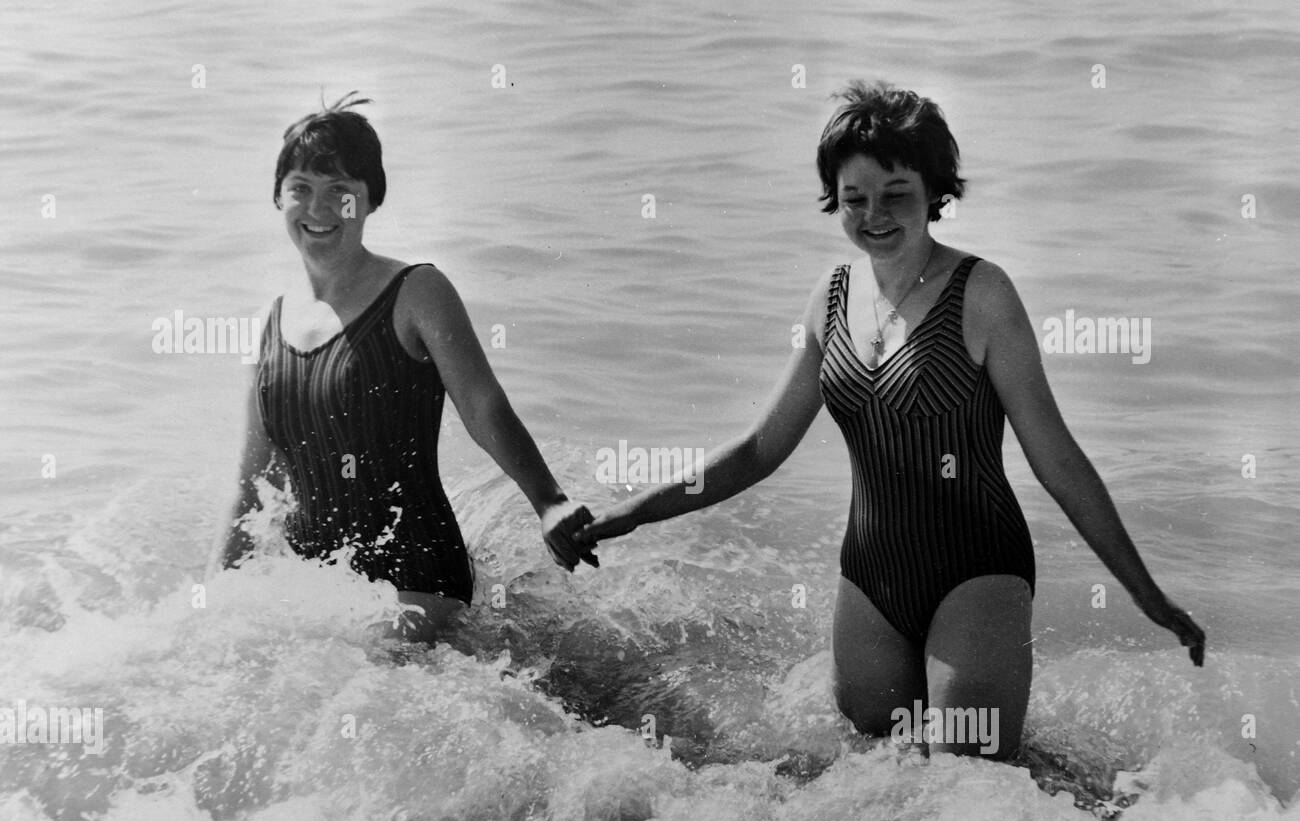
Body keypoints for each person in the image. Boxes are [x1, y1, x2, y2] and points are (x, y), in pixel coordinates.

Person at [577, 80, 1204, 760]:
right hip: (869, 580)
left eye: (896, 194)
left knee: (972, 781)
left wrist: (1145, 594)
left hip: (978, 573)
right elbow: (762, 447)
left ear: (936, 193)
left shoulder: (983, 295)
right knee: (873, 779)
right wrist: (633, 512)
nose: (874, 215)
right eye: (854, 199)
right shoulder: (832, 296)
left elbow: (1057, 459)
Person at [207, 94, 595, 639]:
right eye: (301, 188)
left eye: (340, 192)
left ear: (371, 201)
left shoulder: (417, 292)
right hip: (315, 584)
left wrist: (550, 502)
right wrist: (212, 600)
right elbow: (253, 483)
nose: (318, 209)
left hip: (416, 578)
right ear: (278, 198)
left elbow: (483, 408)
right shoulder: (266, 325)